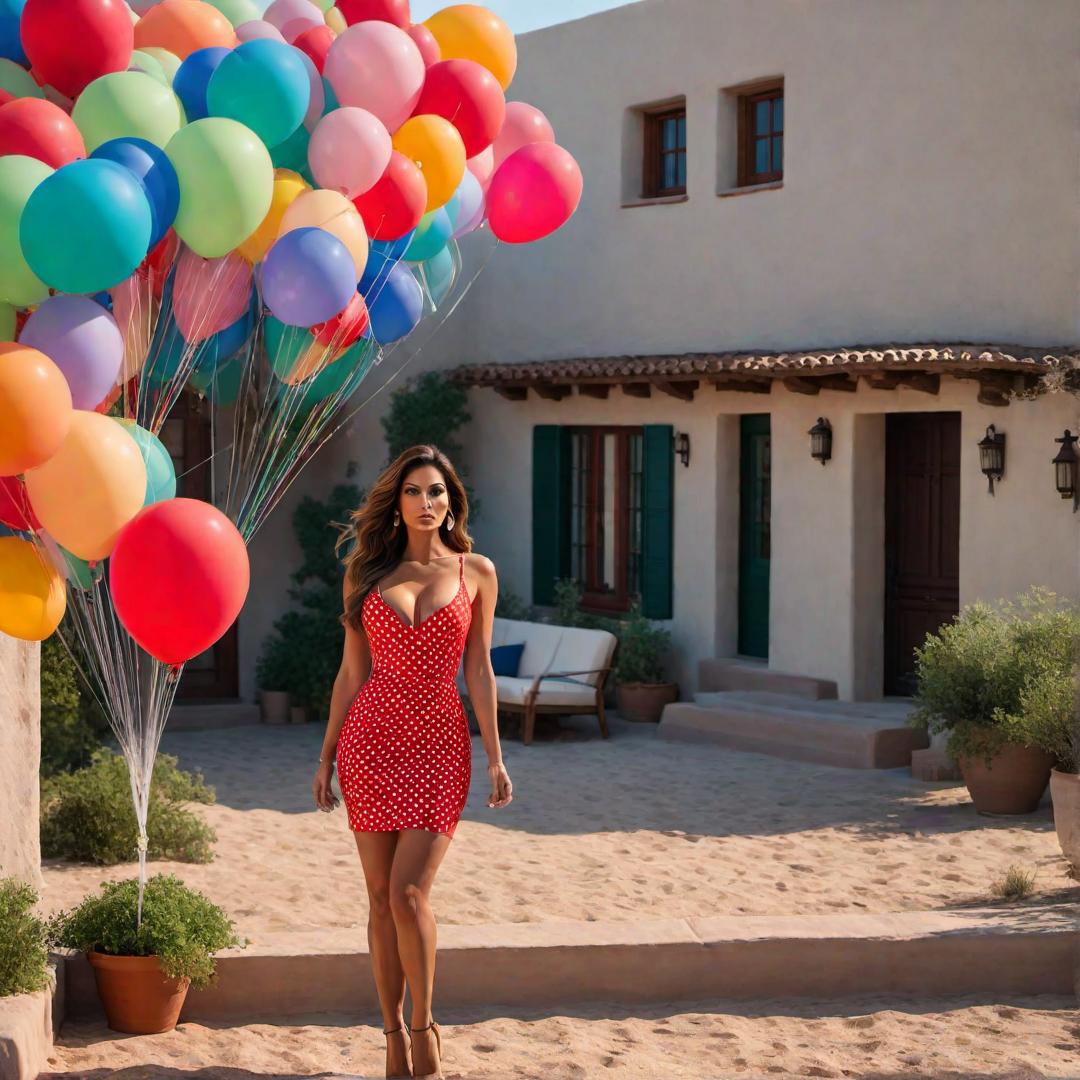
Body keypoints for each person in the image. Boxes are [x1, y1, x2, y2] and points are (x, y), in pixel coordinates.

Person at [312, 443, 512, 1080]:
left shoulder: (476, 571)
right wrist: (326, 756)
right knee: (376, 897)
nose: (427, 503)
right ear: (395, 505)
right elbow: (351, 672)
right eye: (413, 492)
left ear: (452, 502)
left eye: (437, 492)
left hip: (438, 744)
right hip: (370, 742)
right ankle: (392, 1035)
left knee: (408, 894)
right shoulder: (364, 573)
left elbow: (478, 669)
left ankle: (424, 1026)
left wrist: (496, 758)